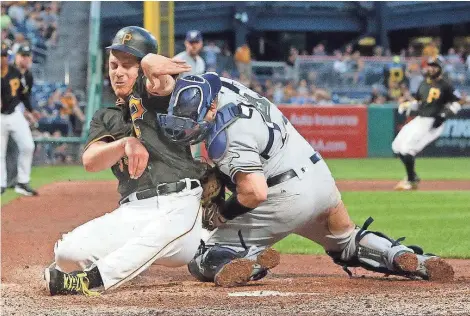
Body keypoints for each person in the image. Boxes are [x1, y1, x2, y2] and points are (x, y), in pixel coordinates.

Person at [158, 72, 454, 287]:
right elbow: (170, 77)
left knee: (200, 258)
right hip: (319, 179)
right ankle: (403, 256)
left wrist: (220, 215)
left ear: (211, 107)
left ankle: (249, 262)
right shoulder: (219, 84)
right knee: (346, 240)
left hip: (281, 197)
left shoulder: (227, 138)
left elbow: (254, 194)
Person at [43, 26, 208, 296]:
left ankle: (90, 281)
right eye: (113, 65)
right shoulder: (106, 116)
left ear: (142, 69)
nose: (118, 72)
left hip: (178, 204)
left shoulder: (155, 96)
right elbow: (90, 161)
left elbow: (161, 81)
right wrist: (124, 144)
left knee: (163, 232)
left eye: (128, 65)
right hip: (133, 211)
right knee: (66, 254)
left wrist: (148, 62)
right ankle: (207, 247)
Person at [392, 56, 464, 190]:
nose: (431, 68)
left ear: (440, 68)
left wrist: (444, 115)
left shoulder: (446, 85)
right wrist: (408, 105)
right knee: (396, 145)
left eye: (434, 66)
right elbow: (419, 103)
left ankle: (411, 180)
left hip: (432, 121)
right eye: (430, 65)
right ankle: (413, 175)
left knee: (407, 149)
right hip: (420, 118)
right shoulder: (424, 83)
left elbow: (459, 101)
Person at [1, 42, 40, 196]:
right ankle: (1, 183)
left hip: (15, 112)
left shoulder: (27, 75)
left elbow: (24, 95)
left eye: (27, 56)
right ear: (15, 57)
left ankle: (22, 182)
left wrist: (31, 111)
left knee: (28, 146)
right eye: (22, 55)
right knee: (0, 152)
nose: (25, 59)